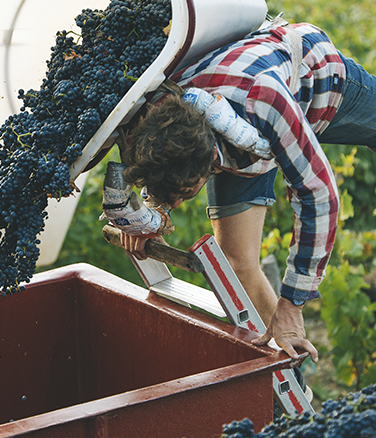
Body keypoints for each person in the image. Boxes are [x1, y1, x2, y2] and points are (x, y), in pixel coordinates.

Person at [116, 18, 376, 365]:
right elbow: (134, 165)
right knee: (237, 263)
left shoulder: (264, 101)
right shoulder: (154, 115)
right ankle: (292, 370)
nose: (177, 203)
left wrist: (293, 301)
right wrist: (142, 216)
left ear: (208, 161)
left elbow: (318, 194)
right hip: (244, 137)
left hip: (318, 84)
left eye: (183, 194)